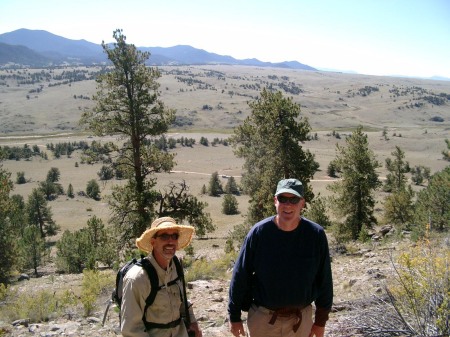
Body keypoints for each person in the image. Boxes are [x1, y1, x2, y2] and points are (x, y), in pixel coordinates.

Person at [228, 178, 333, 337]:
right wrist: (234, 317)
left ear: (302, 203)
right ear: (275, 201)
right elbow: (240, 275)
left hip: (301, 321)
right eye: (283, 199)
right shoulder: (259, 234)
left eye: (294, 199)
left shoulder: (315, 235)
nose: (288, 205)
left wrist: (320, 322)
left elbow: (324, 280)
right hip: (263, 320)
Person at [121, 216, 202, 337]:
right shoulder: (137, 278)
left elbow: (182, 300)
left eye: (174, 236)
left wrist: (193, 323)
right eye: (164, 236)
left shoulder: (175, 266)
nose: (170, 241)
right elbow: (131, 330)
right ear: (153, 242)